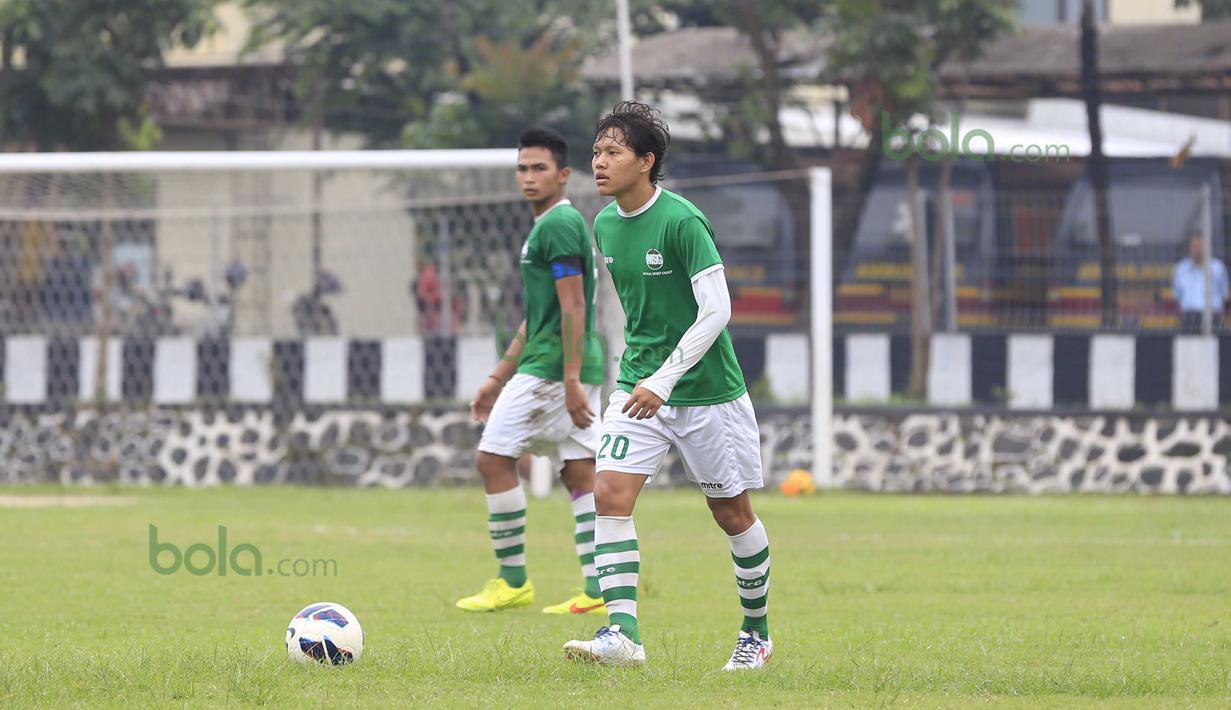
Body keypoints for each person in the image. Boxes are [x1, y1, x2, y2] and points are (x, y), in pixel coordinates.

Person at [562, 102, 772, 671]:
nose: (598, 163)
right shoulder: (605, 225)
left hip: (707, 392)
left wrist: (666, 379)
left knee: (731, 513)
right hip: (637, 386)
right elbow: (635, 312)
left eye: (613, 152)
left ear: (646, 161)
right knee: (610, 494)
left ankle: (757, 632)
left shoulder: (683, 222)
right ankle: (622, 634)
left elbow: (717, 310)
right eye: (597, 152)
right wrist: (633, 374)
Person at [456, 127, 608, 616]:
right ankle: (597, 589)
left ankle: (513, 580)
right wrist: (497, 377)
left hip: (553, 367)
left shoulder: (559, 226)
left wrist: (567, 379)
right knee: (580, 472)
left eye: (539, 168)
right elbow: (539, 314)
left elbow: (573, 307)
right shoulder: (546, 225)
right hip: (563, 360)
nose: (528, 177)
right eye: (522, 168)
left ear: (563, 175)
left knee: (492, 459)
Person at [1173, 231, 1229, 333]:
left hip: (1212, 314)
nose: (1197, 249)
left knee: (1212, 347)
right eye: (1194, 246)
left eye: (1200, 245)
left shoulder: (1218, 267)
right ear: (1189, 248)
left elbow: (1224, 292)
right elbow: (1177, 293)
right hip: (1188, 315)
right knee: (1188, 346)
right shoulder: (1181, 268)